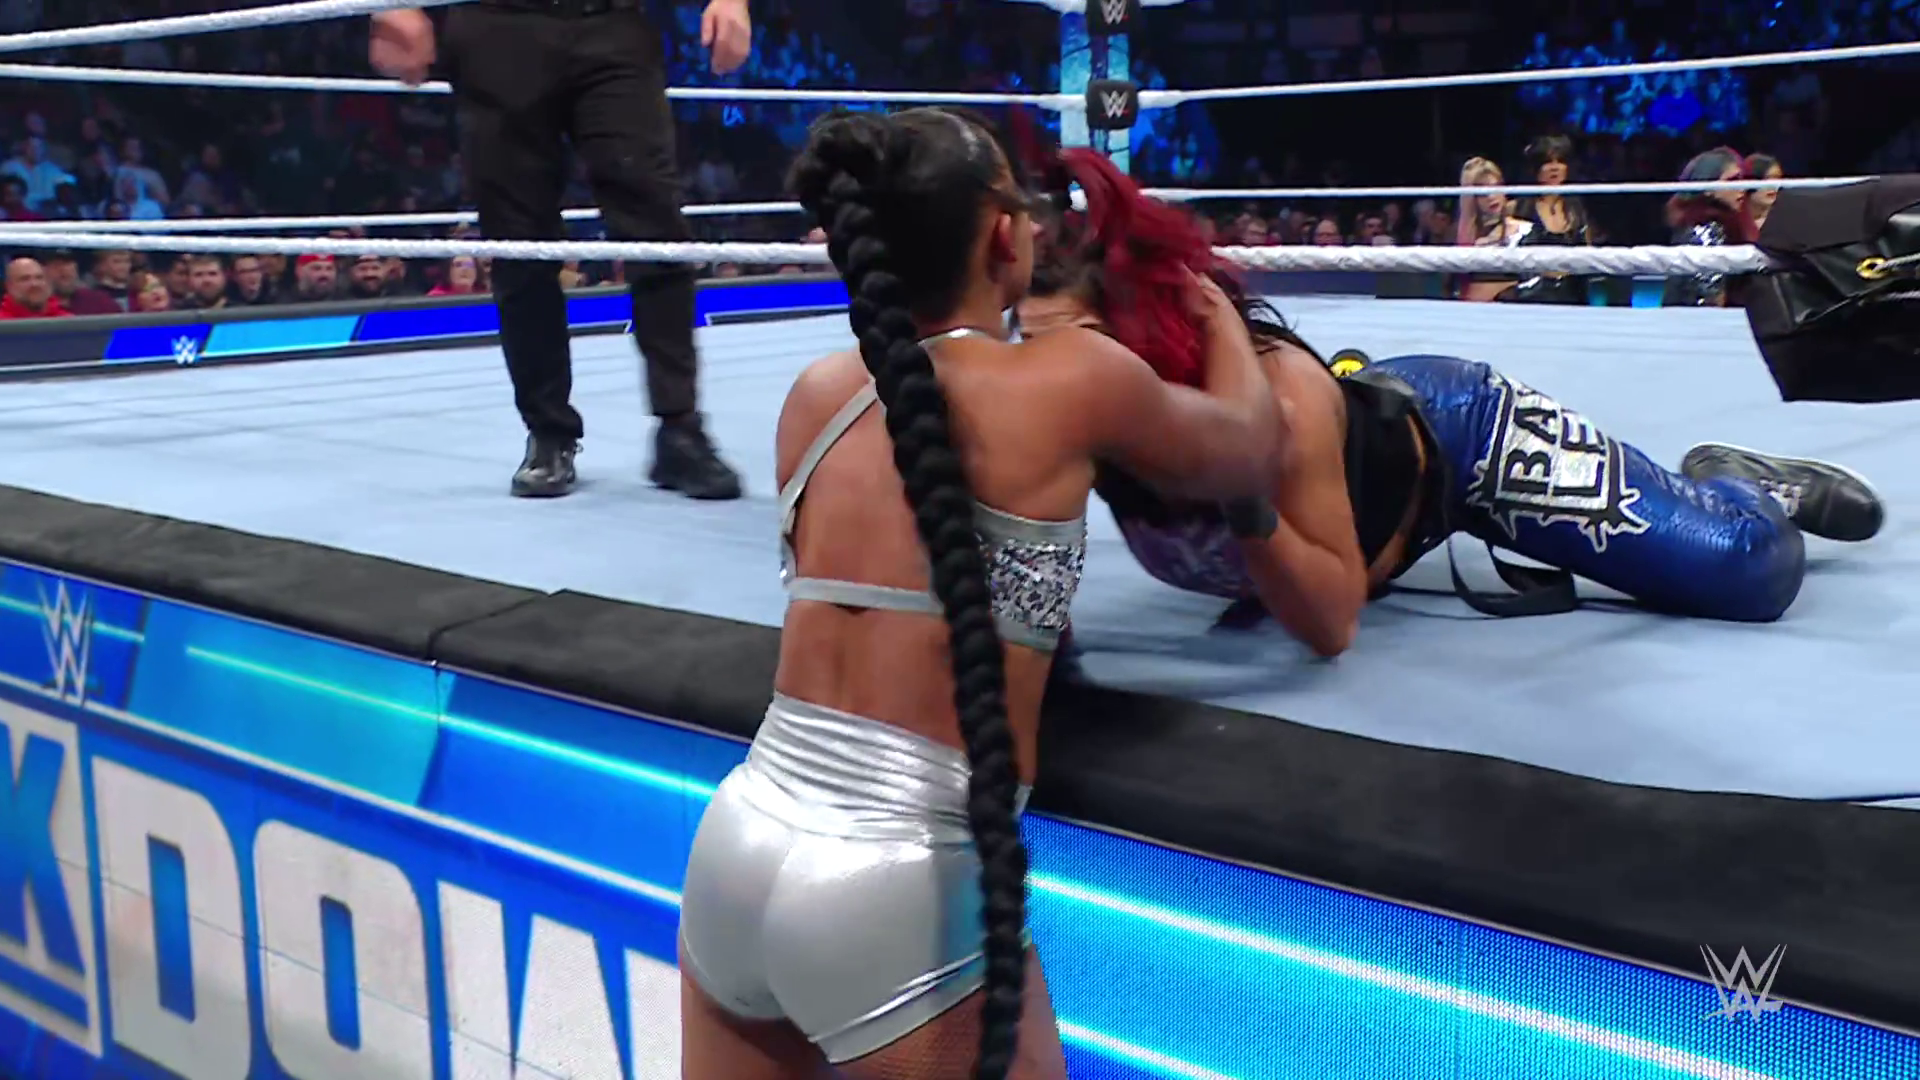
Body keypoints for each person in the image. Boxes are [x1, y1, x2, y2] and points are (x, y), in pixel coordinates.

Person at [674, 109, 1283, 1080]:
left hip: (736, 842)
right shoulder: (1072, 379)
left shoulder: (815, 395)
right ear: (1004, 233)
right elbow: (1247, 449)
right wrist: (1219, 318)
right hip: (896, 883)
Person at [1014, 150, 1884, 656]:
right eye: (1034, 344)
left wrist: (1241, 485)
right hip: (1369, 486)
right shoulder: (1065, 408)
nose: (1053, 372)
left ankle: (1739, 482)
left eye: (1077, 346)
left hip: (1460, 436)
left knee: (1742, 568)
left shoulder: (1278, 399)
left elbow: (1329, 625)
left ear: (1141, 338)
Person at [370, 0, 753, 500]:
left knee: (655, 220)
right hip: (498, 26)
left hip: (612, 23)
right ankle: (548, 431)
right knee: (518, 238)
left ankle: (680, 427)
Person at [1665, 146, 1755, 308]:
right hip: (1703, 320)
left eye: (1742, 180)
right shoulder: (1706, 228)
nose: (1741, 188)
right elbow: (1709, 298)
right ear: (1709, 188)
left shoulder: (1726, 222)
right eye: (1732, 180)